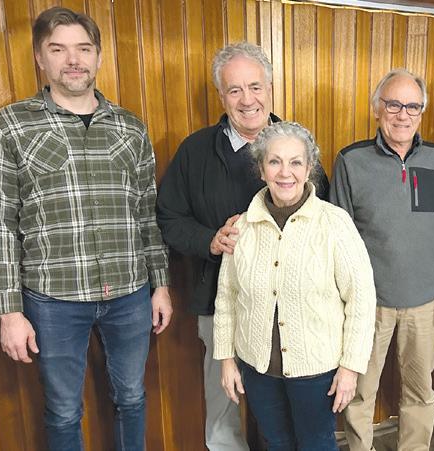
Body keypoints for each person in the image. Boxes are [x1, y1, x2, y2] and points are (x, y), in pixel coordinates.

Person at [0, 7, 172, 451]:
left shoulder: (130, 127)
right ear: (39, 58)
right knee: (64, 410)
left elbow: (147, 214)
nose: (73, 60)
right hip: (53, 300)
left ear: (98, 55)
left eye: (83, 49)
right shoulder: (11, 126)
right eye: (58, 49)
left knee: (132, 398)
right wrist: (9, 312)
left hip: (129, 293)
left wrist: (160, 285)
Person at [156, 42, 328, 450]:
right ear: (222, 96)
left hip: (293, 309)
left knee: (286, 411)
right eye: (235, 90)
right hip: (220, 304)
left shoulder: (299, 147)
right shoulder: (195, 151)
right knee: (223, 402)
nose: (247, 99)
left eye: (255, 87)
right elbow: (168, 218)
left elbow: (325, 223)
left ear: (270, 88)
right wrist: (209, 240)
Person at [212, 121, 376, 450]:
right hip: (258, 370)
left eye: (295, 162)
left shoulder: (335, 223)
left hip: (318, 372)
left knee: (316, 444)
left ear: (309, 168)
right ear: (261, 169)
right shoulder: (242, 226)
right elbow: (227, 298)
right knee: (277, 443)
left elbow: (361, 299)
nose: (285, 172)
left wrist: (350, 367)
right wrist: (227, 359)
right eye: (274, 161)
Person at [332, 69, 434, 451]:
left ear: (421, 112)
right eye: (393, 104)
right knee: (359, 391)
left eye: (412, 106)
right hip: (367, 305)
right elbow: (337, 239)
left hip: (427, 302)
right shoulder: (351, 161)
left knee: (421, 391)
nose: (403, 114)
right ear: (377, 108)